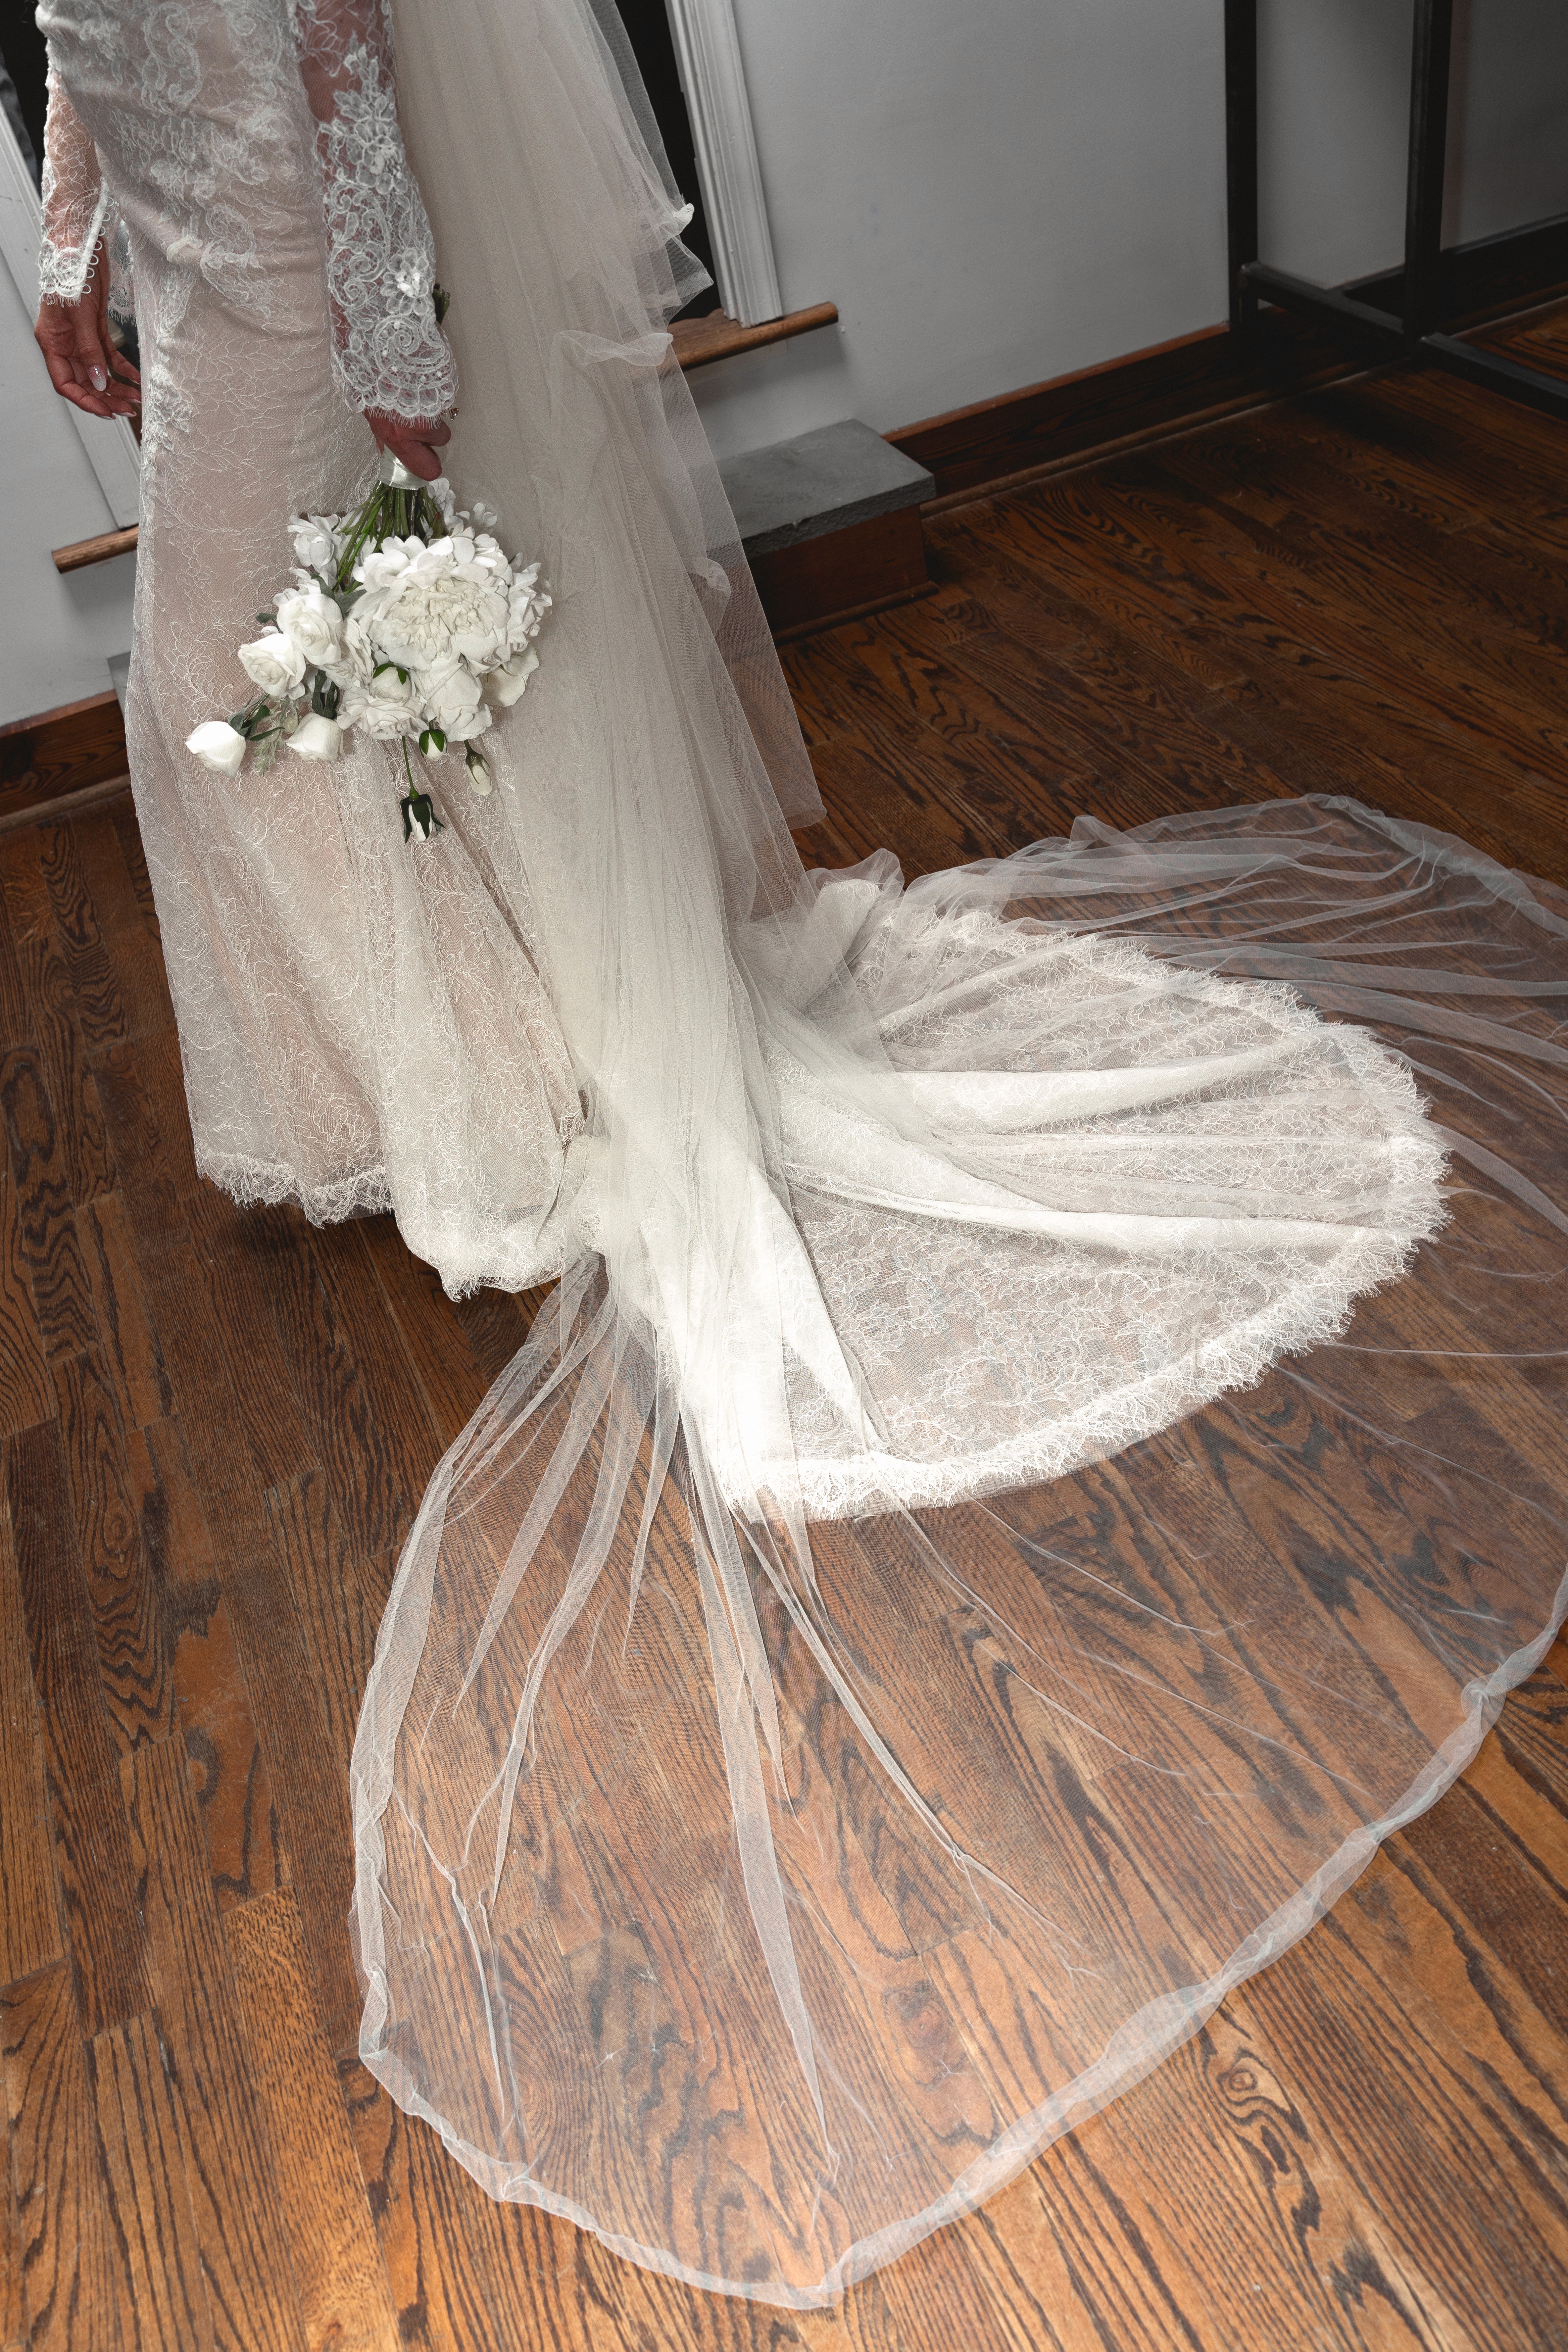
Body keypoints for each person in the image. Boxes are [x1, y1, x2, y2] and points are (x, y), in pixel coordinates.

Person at [33, 0, 1568, 2309]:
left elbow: (349, 65)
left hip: (290, 285)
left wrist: (392, 344)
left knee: (308, 672)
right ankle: (397, 1066)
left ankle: (504, 1056)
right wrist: (69, 238)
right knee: (257, 690)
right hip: (178, 261)